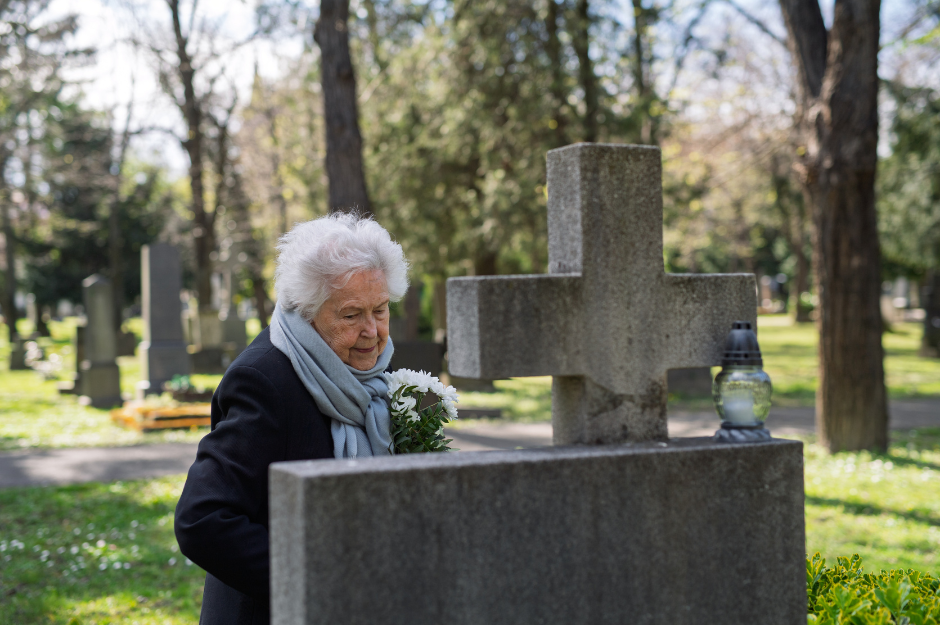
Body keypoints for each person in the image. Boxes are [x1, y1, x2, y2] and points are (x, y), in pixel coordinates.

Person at [175, 213, 409, 625]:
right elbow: (202, 519)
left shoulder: (374, 377)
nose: (372, 331)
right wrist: (321, 577)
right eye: (352, 315)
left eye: (381, 309)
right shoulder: (263, 382)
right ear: (308, 311)